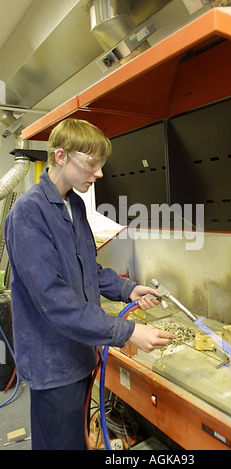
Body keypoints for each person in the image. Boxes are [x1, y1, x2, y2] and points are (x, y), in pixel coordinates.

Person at [4, 118, 176, 450]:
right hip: (52, 363)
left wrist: (128, 290)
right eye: (91, 163)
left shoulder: (74, 205)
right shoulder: (28, 213)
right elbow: (53, 299)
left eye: (101, 164)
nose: (98, 173)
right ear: (60, 156)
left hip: (81, 354)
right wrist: (128, 332)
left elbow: (88, 269)